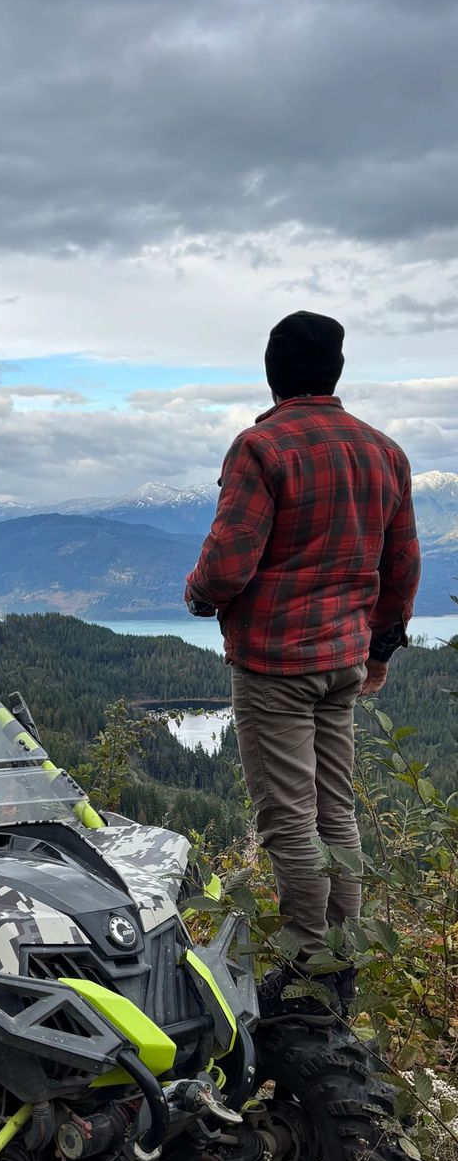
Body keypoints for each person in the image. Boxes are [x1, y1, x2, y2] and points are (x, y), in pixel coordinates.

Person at [184, 311, 420, 1018]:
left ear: (273, 372)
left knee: (289, 820)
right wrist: (380, 649)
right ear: (335, 370)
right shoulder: (385, 452)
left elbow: (228, 562)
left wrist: (198, 595)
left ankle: (306, 970)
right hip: (342, 660)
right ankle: (341, 963)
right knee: (335, 811)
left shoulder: (261, 447)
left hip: (275, 664)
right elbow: (402, 566)